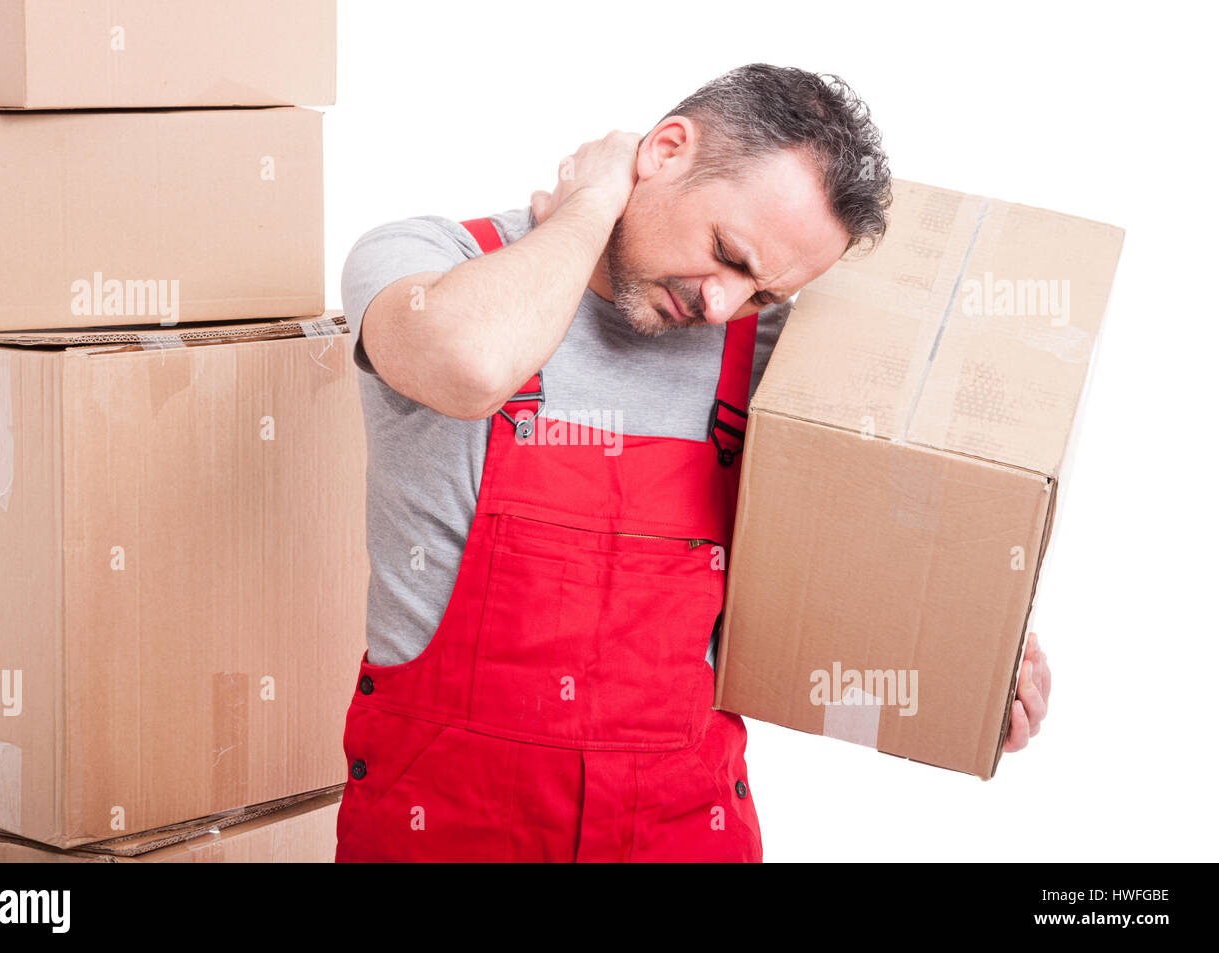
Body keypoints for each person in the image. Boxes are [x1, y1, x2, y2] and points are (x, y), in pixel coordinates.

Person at [334, 63, 1051, 863]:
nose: (720, 306)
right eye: (727, 253)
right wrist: (593, 200)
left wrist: (975, 648)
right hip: (448, 827)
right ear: (667, 148)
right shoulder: (432, 262)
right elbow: (469, 364)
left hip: (682, 828)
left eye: (760, 293)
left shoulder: (774, 360)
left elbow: (861, 566)